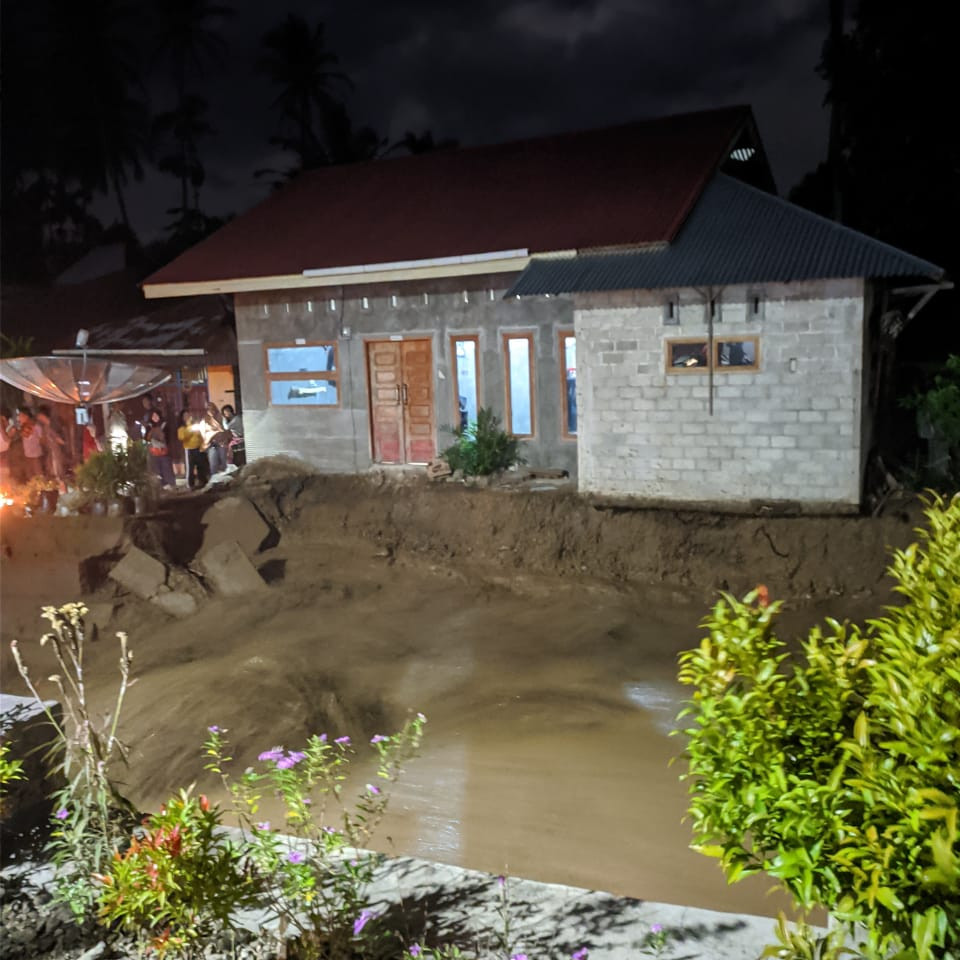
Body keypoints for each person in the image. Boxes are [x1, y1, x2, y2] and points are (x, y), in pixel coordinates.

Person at [177, 410, 209, 489]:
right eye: (185, 416)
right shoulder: (182, 428)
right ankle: (190, 484)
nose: (187, 417)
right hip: (189, 449)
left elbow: (201, 435)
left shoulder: (195, 425)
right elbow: (182, 437)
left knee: (201, 466)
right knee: (190, 468)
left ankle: (203, 482)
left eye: (188, 415)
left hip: (198, 448)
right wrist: (189, 427)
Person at [36, 405, 67, 486]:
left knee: (59, 470)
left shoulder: (54, 425)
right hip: (51, 452)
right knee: (53, 469)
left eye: (40, 416)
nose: (39, 418)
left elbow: (61, 439)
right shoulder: (45, 426)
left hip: (58, 451)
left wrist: (57, 439)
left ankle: (63, 486)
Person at [146, 409, 175, 488]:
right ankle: (161, 484)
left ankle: (169, 483)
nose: (155, 418)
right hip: (154, 451)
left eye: (156, 415)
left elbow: (167, 437)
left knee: (166, 467)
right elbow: (146, 438)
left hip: (163, 450)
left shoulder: (164, 424)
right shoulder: (149, 426)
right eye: (153, 416)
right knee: (157, 469)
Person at [15, 409, 45, 481]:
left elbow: (43, 440)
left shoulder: (36, 426)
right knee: (30, 476)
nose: (19, 418)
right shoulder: (22, 428)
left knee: (39, 475)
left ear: (26, 416)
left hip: (36, 456)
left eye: (21, 416)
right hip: (27, 456)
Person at [201, 402, 228, 476]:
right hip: (211, 444)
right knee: (213, 464)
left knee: (223, 463)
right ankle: (214, 481)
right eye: (208, 409)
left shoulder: (221, 418)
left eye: (212, 409)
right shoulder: (205, 420)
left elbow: (226, 429)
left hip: (221, 443)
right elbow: (203, 432)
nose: (211, 411)